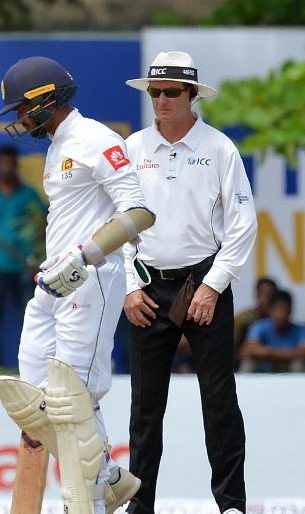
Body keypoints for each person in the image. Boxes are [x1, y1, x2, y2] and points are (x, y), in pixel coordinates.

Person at [0, 56, 154, 514]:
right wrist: (58, 269)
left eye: (23, 108)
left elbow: (138, 213)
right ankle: (109, 479)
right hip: (53, 282)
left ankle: (90, 502)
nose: (20, 119)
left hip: (91, 279)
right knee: (32, 396)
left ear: (46, 100)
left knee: (71, 397)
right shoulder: (59, 144)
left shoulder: (96, 139)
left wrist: (84, 259)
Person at [122, 51, 258, 514]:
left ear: (192, 95)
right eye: (155, 91)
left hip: (203, 281)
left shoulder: (219, 148)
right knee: (144, 407)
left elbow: (243, 223)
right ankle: (140, 507)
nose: (160, 100)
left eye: (171, 92)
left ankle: (232, 506)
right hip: (147, 285)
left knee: (219, 401)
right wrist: (128, 285)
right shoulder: (134, 148)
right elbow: (118, 223)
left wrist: (213, 284)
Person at [0, 144, 45, 368]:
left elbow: (42, 226)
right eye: (2, 162)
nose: (6, 167)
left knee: (30, 316)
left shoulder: (29, 194)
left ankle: (30, 362)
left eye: (10, 162)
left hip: (24, 265)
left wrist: (36, 258)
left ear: (16, 164)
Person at [238, 289, 305, 372]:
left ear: (290, 311)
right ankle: (244, 385)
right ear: (270, 310)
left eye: (284, 309)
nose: (280, 314)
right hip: (264, 370)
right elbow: (248, 350)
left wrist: (266, 352)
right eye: (277, 308)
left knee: (298, 364)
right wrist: (288, 353)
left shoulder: (300, 330)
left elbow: (303, 352)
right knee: (249, 363)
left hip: (288, 370)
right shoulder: (260, 326)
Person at [233, 277, 277, 370]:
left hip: (276, 361)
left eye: (270, 294)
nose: (266, 299)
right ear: (257, 295)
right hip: (247, 360)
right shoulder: (243, 319)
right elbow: (231, 345)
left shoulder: (281, 319)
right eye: (263, 294)